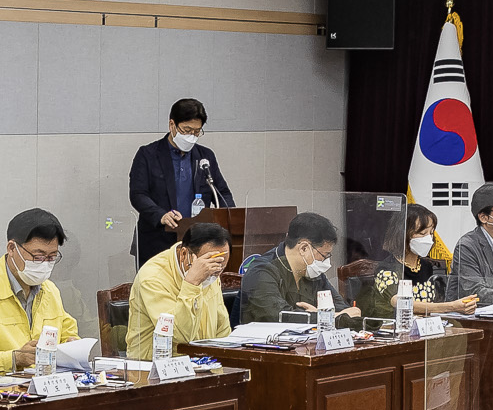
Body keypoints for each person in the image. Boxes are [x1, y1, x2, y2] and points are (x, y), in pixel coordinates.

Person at [0, 210, 82, 369]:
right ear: (12, 248)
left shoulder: (50, 290)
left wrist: (72, 345)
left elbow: (68, 333)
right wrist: (14, 359)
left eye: (52, 257)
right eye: (38, 257)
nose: (45, 264)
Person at [126, 98, 234, 266]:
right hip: (157, 241)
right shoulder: (148, 154)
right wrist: (160, 215)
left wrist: (230, 219)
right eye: (187, 130)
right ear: (172, 125)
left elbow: (222, 192)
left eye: (197, 132)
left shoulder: (205, 156)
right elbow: (138, 194)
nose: (191, 136)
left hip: (197, 243)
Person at [126, 220, 234, 357]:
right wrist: (192, 283)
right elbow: (181, 336)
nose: (214, 273)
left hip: (202, 363)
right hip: (156, 366)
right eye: (208, 266)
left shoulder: (212, 271)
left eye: (220, 268)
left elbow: (222, 328)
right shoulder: (152, 277)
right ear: (184, 254)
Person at [351, 205, 478, 319]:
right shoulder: (386, 269)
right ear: (403, 235)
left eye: (431, 233)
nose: (429, 239)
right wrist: (451, 306)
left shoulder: (427, 266)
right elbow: (400, 302)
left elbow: (434, 303)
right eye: (422, 233)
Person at [239, 211, 362, 328]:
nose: (326, 262)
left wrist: (331, 315)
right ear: (303, 248)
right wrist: (324, 317)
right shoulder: (261, 271)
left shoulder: (312, 272)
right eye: (324, 256)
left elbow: (342, 309)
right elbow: (280, 317)